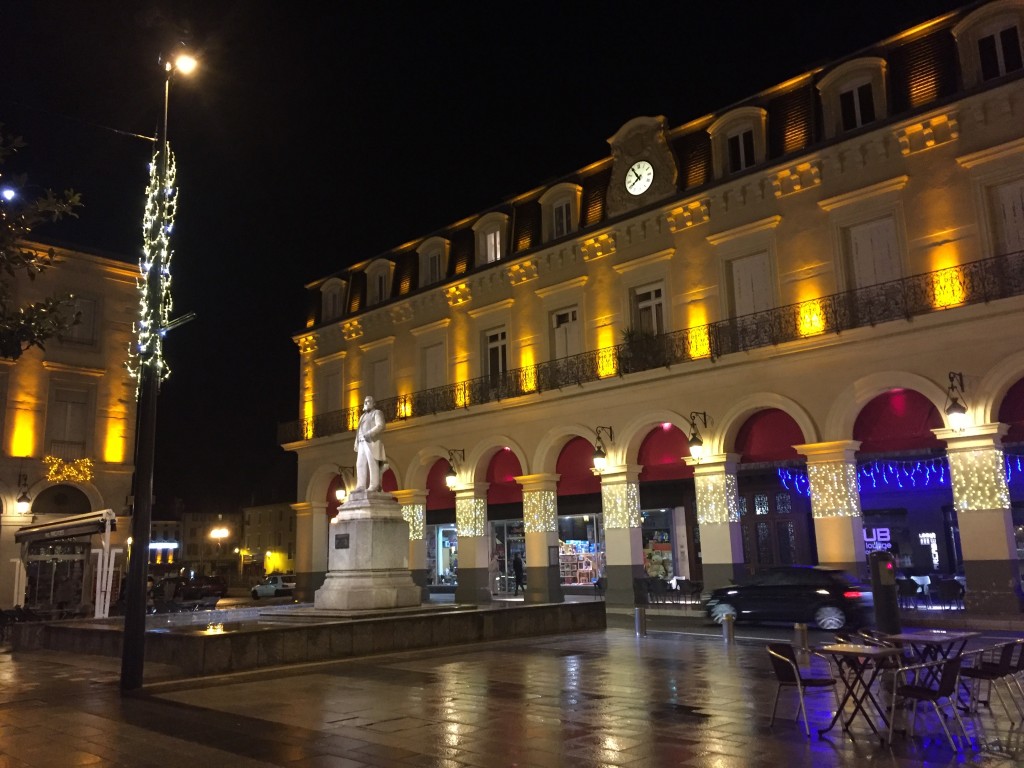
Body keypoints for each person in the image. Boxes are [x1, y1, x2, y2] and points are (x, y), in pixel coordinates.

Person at [353, 394, 387, 492]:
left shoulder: (377, 413)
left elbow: (381, 425)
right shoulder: (362, 416)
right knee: (360, 463)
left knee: (373, 462)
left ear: (373, 403)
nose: (366, 403)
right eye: (365, 401)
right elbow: (358, 430)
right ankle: (361, 485)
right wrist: (356, 442)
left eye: (368, 401)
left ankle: (374, 485)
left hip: (372, 442)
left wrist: (369, 433)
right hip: (361, 442)